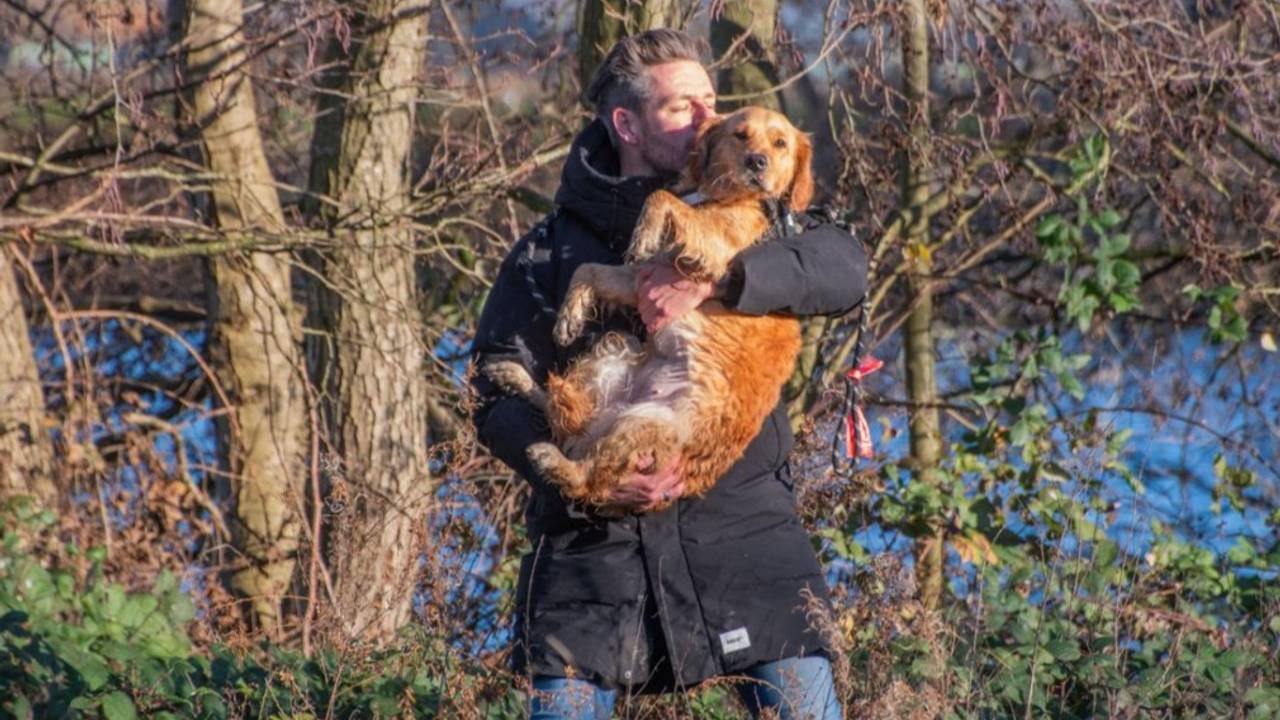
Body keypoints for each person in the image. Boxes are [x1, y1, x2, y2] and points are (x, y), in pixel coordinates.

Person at [470, 28, 867, 720]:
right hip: (592, 552)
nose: (712, 122)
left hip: (748, 542)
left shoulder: (764, 214)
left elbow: (845, 269)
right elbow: (495, 386)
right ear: (627, 123)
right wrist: (563, 463)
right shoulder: (548, 251)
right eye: (685, 108)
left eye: (711, 102)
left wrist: (725, 281)